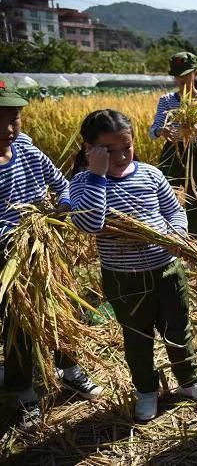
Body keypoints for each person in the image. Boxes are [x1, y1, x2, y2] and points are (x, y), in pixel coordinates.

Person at [70, 109, 197, 422]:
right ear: (90, 150)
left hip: (167, 269)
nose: (121, 155)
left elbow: (175, 213)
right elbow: (90, 224)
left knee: (178, 327)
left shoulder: (151, 174)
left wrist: (174, 235)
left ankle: (189, 382)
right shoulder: (85, 183)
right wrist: (97, 174)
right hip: (125, 278)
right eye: (109, 150)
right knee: (137, 337)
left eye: (127, 146)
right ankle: (146, 391)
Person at [0, 84, 102, 429]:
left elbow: (63, 183)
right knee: (19, 324)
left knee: (61, 312)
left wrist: (62, 207)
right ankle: (24, 391)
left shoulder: (26, 150)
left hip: (45, 248)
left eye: (14, 118)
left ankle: (70, 368)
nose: (10, 128)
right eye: (0, 120)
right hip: (7, 260)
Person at [149, 52, 197, 240]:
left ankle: (194, 245)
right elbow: (153, 129)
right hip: (171, 152)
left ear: (196, 73)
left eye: (186, 74)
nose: (181, 79)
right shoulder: (166, 100)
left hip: (194, 153)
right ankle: (167, 239)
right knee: (163, 196)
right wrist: (161, 131)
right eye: (178, 75)